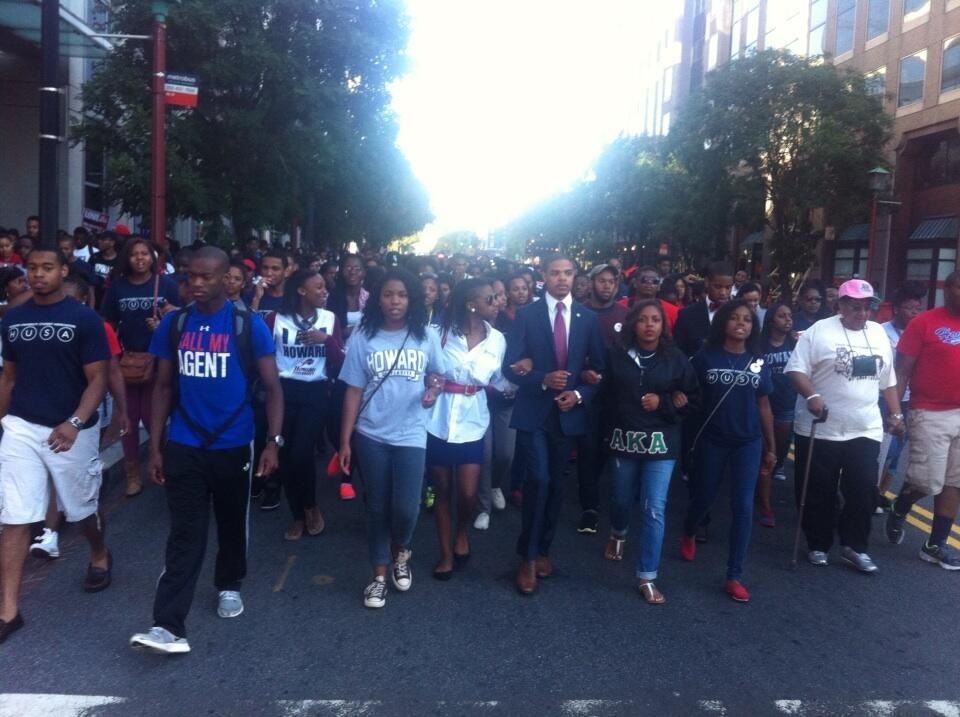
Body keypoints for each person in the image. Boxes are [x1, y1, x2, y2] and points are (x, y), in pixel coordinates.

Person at [129, 247, 282, 655]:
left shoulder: (249, 326)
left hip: (235, 444)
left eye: (206, 277)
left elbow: (273, 388)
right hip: (185, 444)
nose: (196, 283)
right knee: (185, 533)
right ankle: (167, 625)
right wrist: (156, 446)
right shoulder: (175, 324)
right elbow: (162, 387)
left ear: (227, 279)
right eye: (190, 276)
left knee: (232, 523)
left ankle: (229, 583)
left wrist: (272, 443)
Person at [0, 247, 112, 644]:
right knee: (15, 515)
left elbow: (98, 378)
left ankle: (99, 552)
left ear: (63, 272)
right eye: (32, 268)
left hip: (70, 428)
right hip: (21, 426)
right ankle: (9, 611)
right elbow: (9, 377)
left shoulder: (83, 319)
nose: (38, 274)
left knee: (81, 511)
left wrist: (75, 422)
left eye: (47, 268)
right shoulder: (12, 320)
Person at [338, 269, 445, 609]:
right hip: (371, 433)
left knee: (406, 507)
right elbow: (353, 391)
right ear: (377, 298)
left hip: (412, 432)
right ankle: (379, 576)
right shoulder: (363, 337)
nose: (394, 301)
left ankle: (402, 550)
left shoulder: (425, 335)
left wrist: (432, 389)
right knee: (378, 506)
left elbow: (437, 375)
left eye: (401, 294)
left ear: (411, 298)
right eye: (387, 294)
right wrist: (344, 441)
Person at [502, 255, 606, 595]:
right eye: (555, 273)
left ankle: (544, 548)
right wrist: (542, 379)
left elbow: (599, 374)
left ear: (576, 277)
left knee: (557, 487)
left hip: (568, 414)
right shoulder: (527, 316)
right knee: (539, 480)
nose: (562, 279)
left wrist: (579, 394)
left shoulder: (588, 319)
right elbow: (508, 368)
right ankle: (528, 557)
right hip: (534, 412)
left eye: (568, 273)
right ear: (543, 277)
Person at [785, 279, 901, 572]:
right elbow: (796, 370)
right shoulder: (819, 331)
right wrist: (811, 395)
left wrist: (896, 415)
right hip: (822, 426)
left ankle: (854, 546)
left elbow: (888, 380)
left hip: (865, 426)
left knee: (863, 489)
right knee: (819, 489)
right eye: (855, 306)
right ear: (840, 305)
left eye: (866, 307)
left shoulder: (877, 334)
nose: (861, 313)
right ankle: (818, 543)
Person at [680, 300, 775, 602]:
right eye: (734, 318)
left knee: (743, 506)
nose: (741, 324)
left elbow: (763, 403)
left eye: (747, 319)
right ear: (722, 322)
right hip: (713, 439)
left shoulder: (758, 361)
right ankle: (689, 529)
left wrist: (771, 446)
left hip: (748, 441)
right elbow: (689, 395)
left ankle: (734, 574)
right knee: (704, 498)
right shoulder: (704, 358)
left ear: (753, 326)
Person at [29, 274, 130, 561]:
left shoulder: (98, 326)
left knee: (78, 489)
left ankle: (97, 549)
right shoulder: (41, 325)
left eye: (73, 299)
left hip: (82, 419)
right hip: (43, 415)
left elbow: (111, 372)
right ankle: (50, 534)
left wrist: (123, 409)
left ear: (85, 300)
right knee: (49, 474)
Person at [605, 300, 698, 604]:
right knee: (620, 498)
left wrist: (665, 403)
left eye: (655, 320)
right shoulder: (617, 356)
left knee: (654, 507)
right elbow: (604, 396)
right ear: (633, 323)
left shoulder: (676, 359)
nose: (649, 325)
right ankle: (618, 532)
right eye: (643, 319)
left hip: (662, 443)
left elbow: (693, 399)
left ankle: (647, 575)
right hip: (623, 439)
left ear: (663, 325)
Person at [426, 278, 507, 576]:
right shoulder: (437, 333)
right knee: (443, 488)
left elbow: (499, 378)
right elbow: (423, 368)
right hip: (437, 419)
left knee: (469, 493)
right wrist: (428, 382)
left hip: (474, 421)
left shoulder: (497, 339)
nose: (497, 302)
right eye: (491, 297)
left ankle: (462, 531)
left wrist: (528, 379)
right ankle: (445, 552)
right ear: (472, 303)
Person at [885, 272, 960, 569]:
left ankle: (934, 546)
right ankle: (900, 505)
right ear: (947, 290)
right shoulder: (923, 323)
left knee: (954, 481)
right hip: (928, 411)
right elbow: (901, 372)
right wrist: (895, 413)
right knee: (927, 482)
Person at [267, 270, 343, 541]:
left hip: (315, 390)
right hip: (283, 391)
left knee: (301, 452)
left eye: (325, 287)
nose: (325, 292)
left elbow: (339, 360)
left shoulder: (329, 318)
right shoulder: (276, 319)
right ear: (301, 291)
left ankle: (311, 505)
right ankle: (297, 514)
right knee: (285, 457)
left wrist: (327, 341)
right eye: (319, 287)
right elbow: (263, 355)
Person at [101, 238, 179, 497]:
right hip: (127, 362)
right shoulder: (117, 287)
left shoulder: (166, 284)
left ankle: (163, 462)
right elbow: (108, 322)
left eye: (144, 254)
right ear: (127, 258)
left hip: (159, 362)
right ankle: (132, 474)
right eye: (134, 254)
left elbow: (182, 317)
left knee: (154, 418)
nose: (140, 258)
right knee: (128, 420)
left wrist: (166, 320)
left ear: (153, 257)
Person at [875, 283, 925, 510]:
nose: (915, 313)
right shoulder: (881, 332)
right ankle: (868, 492)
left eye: (918, 308)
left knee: (896, 453)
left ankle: (879, 494)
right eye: (909, 308)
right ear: (896, 308)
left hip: (909, 398)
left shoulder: (922, 333)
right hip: (884, 397)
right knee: (883, 448)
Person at [326, 254, 369, 501]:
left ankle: (347, 476)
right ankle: (339, 449)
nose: (352, 271)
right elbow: (329, 329)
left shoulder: (370, 299)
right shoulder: (332, 298)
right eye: (347, 267)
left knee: (355, 420)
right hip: (336, 364)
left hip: (362, 366)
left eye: (357, 267)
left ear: (363, 272)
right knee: (333, 421)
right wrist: (349, 330)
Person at [756, 303, 797, 527]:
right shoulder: (760, 347)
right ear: (771, 320)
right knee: (766, 455)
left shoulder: (796, 345)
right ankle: (765, 505)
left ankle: (763, 485)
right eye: (782, 316)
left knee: (778, 454)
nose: (788, 320)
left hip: (786, 406)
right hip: (763, 405)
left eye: (790, 315)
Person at [673, 262, 734, 357]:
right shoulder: (687, 314)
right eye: (717, 287)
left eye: (728, 287)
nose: (723, 292)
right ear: (707, 283)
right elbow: (678, 352)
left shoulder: (738, 314)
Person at [248, 250, 289, 315]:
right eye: (265, 268)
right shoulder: (251, 295)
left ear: (286, 272)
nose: (269, 273)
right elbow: (247, 323)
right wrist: (256, 299)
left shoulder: (294, 297)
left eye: (275, 269)